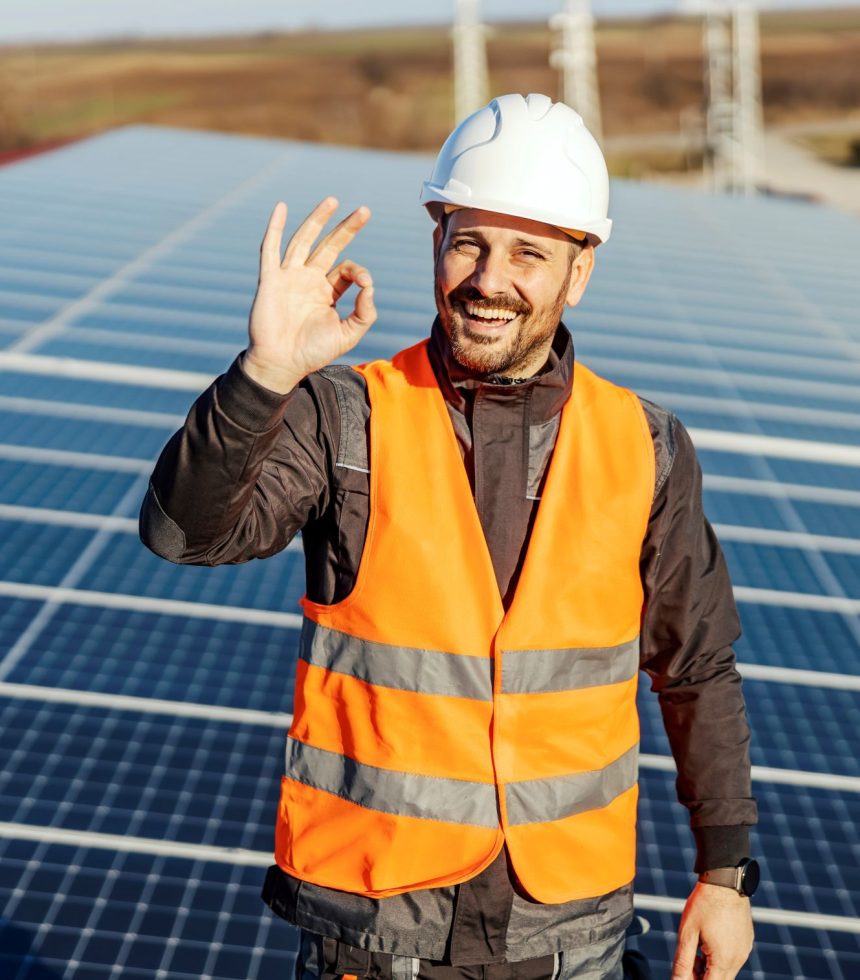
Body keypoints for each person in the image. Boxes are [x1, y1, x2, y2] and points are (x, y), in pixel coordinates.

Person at [140, 93, 758, 980]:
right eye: (468, 241)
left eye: (528, 254)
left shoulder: (647, 447)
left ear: (578, 272)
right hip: (379, 930)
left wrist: (725, 873)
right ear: (436, 240)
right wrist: (267, 373)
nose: (488, 278)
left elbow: (696, 666)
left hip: (570, 935)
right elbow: (182, 534)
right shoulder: (343, 416)